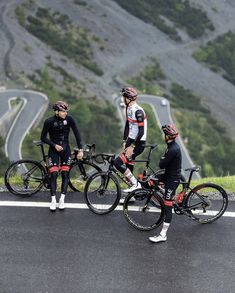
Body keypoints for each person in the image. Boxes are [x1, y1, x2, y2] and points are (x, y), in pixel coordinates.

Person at [41, 101, 84, 211]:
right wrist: (54, 145)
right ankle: (53, 200)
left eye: (66, 111)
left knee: (65, 174)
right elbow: (43, 138)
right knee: (54, 175)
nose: (65, 113)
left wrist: (81, 150)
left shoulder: (70, 119)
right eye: (63, 111)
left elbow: (77, 134)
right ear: (56, 111)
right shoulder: (49, 121)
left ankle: (62, 200)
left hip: (66, 150)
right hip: (54, 150)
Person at [149, 124, 182, 243]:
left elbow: (161, 165)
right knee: (150, 181)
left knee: (168, 206)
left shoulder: (172, 149)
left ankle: (163, 235)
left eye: (164, 134)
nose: (164, 136)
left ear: (168, 136)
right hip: (168, 175)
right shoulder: (171, 145)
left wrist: (163, 159)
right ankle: (151, 196)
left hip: (172, 179)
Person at [113, 87, 147, 201]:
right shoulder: (128, 108)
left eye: (124, 97)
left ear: (128, 98)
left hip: (138, 143)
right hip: (130, 141)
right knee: (128, 168)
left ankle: (136, 185)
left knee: (117, 162)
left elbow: (141, 131)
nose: (123, 99)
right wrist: (124, 141)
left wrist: (132, 147)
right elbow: (128, 125)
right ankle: (131, 196)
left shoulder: (138, 111)